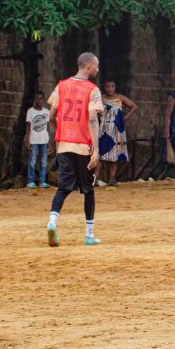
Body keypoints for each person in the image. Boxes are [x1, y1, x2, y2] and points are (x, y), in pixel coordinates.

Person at [45, 53, 103, 247]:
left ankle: (52, 222)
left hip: (65, 144)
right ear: (88, 66)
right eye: (96, 66)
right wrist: (96, 150)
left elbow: (51, 116)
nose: (97, 69)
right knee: (88, 190)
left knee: (63, 188)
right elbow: (92, 119)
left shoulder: (61, 86)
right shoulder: (92, 90)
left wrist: (61, 133)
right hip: (84, 145)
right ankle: (89, 234)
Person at [98, 79, 137, 186]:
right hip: (103, 129)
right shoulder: (100, 98)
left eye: (112, 86)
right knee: (100, 153)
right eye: (107, 86)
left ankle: (112, 178)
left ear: (115, 87)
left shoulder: (120, 98)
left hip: (116, 130)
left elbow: (134, 106)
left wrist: (125, 118)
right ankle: (95, 178)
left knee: (114, 153)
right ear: (104, 87)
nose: (110, 89)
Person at [24, 91, 51, 189]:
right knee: (32, 161)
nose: (38, 101)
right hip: (34, 140)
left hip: (44, 140)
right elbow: (28, 126)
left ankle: (42, 181)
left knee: (43, 161)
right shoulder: (30, 111)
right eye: (37, 99)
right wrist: (28, 139)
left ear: (43, 100)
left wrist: (49, 141)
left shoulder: (47, 112)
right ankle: (30, 181)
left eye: (40, 99)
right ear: (34, 100)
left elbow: (48, 127)